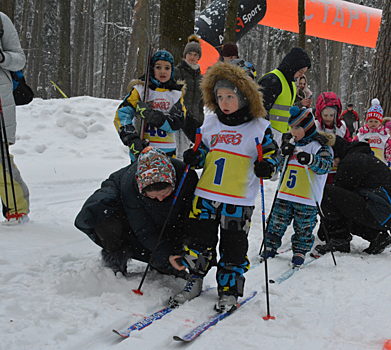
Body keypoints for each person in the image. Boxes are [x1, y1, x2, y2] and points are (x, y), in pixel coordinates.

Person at [168, 62, 280, 313]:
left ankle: (229, 291)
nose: (224, 102)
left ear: (244, 96)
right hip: (206, 196)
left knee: (234, 246)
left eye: (230, 96)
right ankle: (194, 279)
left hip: (238, 200)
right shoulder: (210, 123)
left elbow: (273, 157)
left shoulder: (260, 127)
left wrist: (267, 166)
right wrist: (194, 157)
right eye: (219, 97)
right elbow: (202, 149)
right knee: (198, 241)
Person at [74, 146, 198, 276]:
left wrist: (183, 251)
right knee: (103, 212)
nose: (160, 199)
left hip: (171, 222)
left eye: (165, 193)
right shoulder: (129, 187)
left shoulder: (187, 177)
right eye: (153, 196)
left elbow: (192, 221)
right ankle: (116, 261)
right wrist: (165, 256)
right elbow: (144, 230)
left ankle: (164, 262)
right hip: (133, 224)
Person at [261, 106, 333, 266]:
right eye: (291, 127)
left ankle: (300, 250)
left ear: (307, 128)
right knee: (276, 223)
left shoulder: (321, 146)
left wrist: (310, 160)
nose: (292, 131)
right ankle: (270, 246)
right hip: (285, 194)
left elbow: (326, 166)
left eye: (296, 127)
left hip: (307, 198)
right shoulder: (290, 144)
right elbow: (279, 163)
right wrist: (280, 156)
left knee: (304, 227)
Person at [314, 139, 391, 255]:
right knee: (348, 206)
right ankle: (378, 237)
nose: (332, 165)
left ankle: (339, 240)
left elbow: (334, 200)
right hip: (389, 212)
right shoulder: (361, 157)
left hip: (383, 210)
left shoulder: (351, 161)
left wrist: (325, 232)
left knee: (326, 192)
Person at [114, 50, 185, 162]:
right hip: (142, 150)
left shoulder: (175, 94)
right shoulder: (140, 90)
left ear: (172, 71)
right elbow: (122, 115)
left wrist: (151, 116)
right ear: (152, 69)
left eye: (167, 68)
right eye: (158, 67)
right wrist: (132, 140)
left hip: (167, 153)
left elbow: (176, 124)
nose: (163, 71)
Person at [0, 11, 30, 225]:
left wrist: (2, 58)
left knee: (0, 163)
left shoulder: (0, 20)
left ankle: (17, 211)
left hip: (0, 101)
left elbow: (19, 59)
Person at [258, 47, 311, 144]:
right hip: (265, 137)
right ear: (293, 67)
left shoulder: (291, 84)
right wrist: (266, 136)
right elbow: (259, 111)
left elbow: (287, 110)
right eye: (300, 71)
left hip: (280, 137)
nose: (301, 75)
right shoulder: (272, 81)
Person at [173, 34, 205, 158]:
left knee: (185, 154)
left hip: (192, 121)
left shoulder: (201, 78)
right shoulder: (177, 71)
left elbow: (201, 102)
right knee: (175, 152)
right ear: (185, 54)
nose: (192, 57)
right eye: (190, 54)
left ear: (199, 57)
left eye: (195, 54)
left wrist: (200, 119)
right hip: (178, 118)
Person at [314, 92, 351, 184]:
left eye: (332, 115)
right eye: (325, 115)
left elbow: (348, 145)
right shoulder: (315, 126)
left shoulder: (341, 127)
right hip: (318, 169)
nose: (328, 118)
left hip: (336, 170)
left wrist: (340, 158)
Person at [354, 99, 391, 165]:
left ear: (380, 122)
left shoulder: (384, 135)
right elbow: (354, 146)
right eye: (370, 121)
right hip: (363, 165)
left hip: (379, 165)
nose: (373, 124)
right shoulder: (361, 134)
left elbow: (389, 150)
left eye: (376, 121)